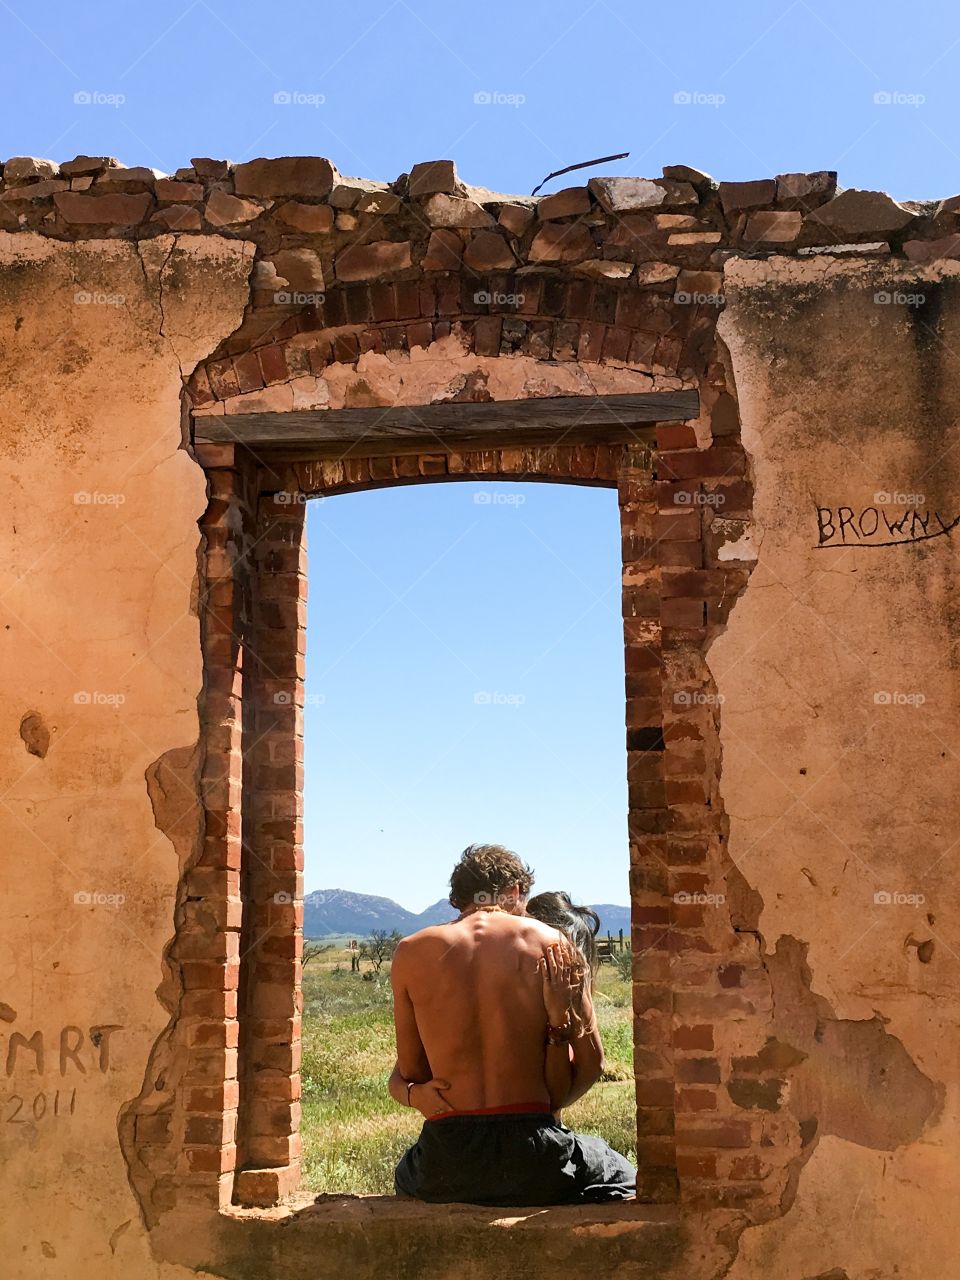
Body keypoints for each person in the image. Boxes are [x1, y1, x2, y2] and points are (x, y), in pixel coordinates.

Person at [388, 844, 636, 1205]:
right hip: (536, 1153)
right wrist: (546, 1106)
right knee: (623, 1175)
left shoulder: (411, 950)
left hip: (447, 1159)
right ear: (515, 892)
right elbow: (593, 1063)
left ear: (458, 899)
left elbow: (411, 1069)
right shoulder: (553, 944)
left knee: (405, 1174)